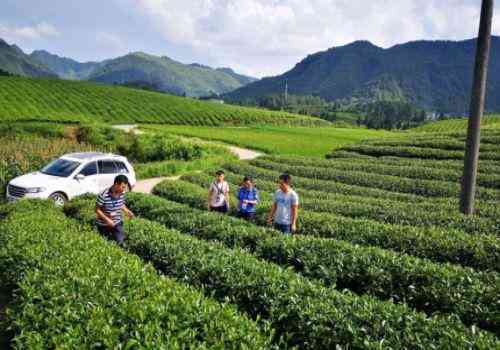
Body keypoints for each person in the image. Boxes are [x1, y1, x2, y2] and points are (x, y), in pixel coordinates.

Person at [96, 175, 135, 245]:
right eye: (123, 187)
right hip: (104, 225)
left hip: (117, 223)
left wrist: (127, 211)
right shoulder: (103, 195)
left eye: (125, 187)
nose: (124, 189)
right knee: (106, 244)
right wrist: (107, 220)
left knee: (120, 242)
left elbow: (121, 204)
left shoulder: (122, 193)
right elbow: (97, 210)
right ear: (116, 184)